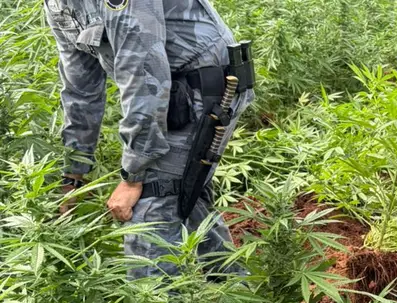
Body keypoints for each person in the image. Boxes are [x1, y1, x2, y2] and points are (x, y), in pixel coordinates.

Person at [45, 0, 254, 279]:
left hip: (202, 86)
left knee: (149, 207)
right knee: (183, 198)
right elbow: (80, 91)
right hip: (168, 90)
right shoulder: (57, 4)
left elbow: (143, 72)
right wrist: (74, 174)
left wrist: (134, 176)